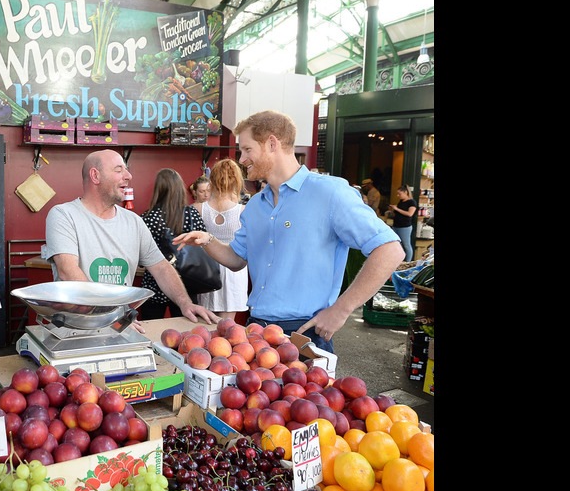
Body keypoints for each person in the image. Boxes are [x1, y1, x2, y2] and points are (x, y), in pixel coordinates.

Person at [173, 110, 404, 353]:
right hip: (256, 331)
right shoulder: (254, 206)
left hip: (305, 331)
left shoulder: (331, 193)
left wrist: (341, 310)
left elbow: (390, 250)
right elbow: (236, 260)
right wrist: (207, 239)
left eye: (247, 149)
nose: (241, 159)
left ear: (272, 144)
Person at [44, 150, 217, 332]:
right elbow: (67, 271)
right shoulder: (64, 215)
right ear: (95, 176)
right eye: (119, 170)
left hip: (119, 327)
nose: (128, 176)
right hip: (75, 328)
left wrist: (185, 303)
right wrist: (111, 316)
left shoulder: (134, 221)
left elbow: (161, 267)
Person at [138, 168, 208, 320]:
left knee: (151, 332)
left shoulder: (148, 217)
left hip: (154, 283)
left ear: (158, 190)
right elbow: (204, 245)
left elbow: (141, 256)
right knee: (186, 334)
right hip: (187, 282)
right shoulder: (192, 214)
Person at [196, 159, 249, 321]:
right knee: (228, 328)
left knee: (203, 326)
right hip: (235, 269)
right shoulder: (243, 211)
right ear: (237, 181)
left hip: (206, 269)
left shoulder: (197, 208)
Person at [389, 184, 418, 262]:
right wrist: (392, 210)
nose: (398, 195)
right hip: (396, 225)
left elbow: (410, 214)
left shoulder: (412, 202)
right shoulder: (401, 202)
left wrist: (397, 209)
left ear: (405, 192)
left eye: (399, 194)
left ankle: (408, 261)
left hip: (405, 226)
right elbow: (396, 214)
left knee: (406, 245)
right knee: (395, 244)